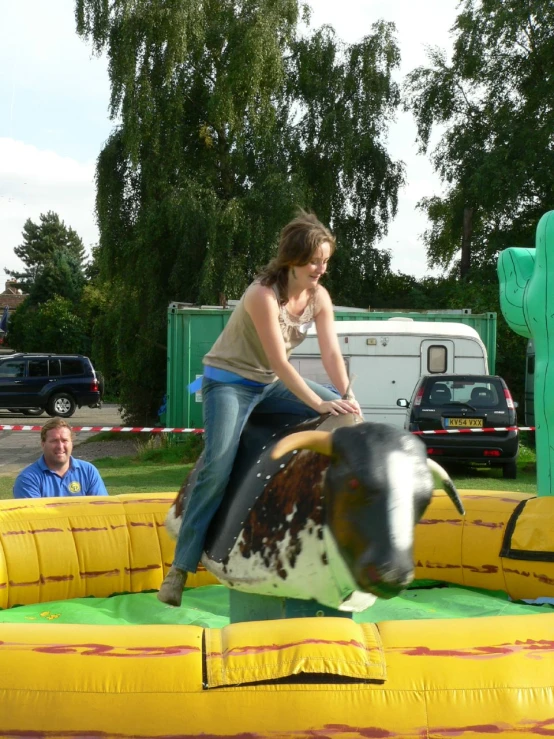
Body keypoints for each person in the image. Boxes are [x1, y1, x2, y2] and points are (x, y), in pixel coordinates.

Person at [158, 210, 361, 606]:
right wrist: (319, 399)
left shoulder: (319, 297)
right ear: (293, 259)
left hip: (267, 386)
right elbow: (282, 363)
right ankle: (179, 569)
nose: (321, 269)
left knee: (341, 416)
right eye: (315, 261)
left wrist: (347, 395)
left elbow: (331, 351)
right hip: (229, 383)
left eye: (325, 261)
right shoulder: (262, 295)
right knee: (218, 464)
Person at [13, 417, 109, 499]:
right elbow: (36, 518)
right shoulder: (28, 479)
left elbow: (101, 509)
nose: (60, 446)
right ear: (43, 444)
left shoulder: (88, 471)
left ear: (72, 443)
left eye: (64, 440)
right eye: (54, 441)